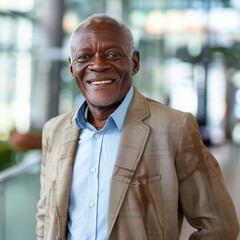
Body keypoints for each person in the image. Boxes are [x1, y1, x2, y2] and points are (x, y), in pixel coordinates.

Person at [35, 13, 239, 240]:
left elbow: (220, 226)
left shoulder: (174, 129)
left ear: (134, 63)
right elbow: (46, 218)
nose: (98, 65)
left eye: (112, 54)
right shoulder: (54, 131)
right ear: (72, 68)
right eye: (84, 57)